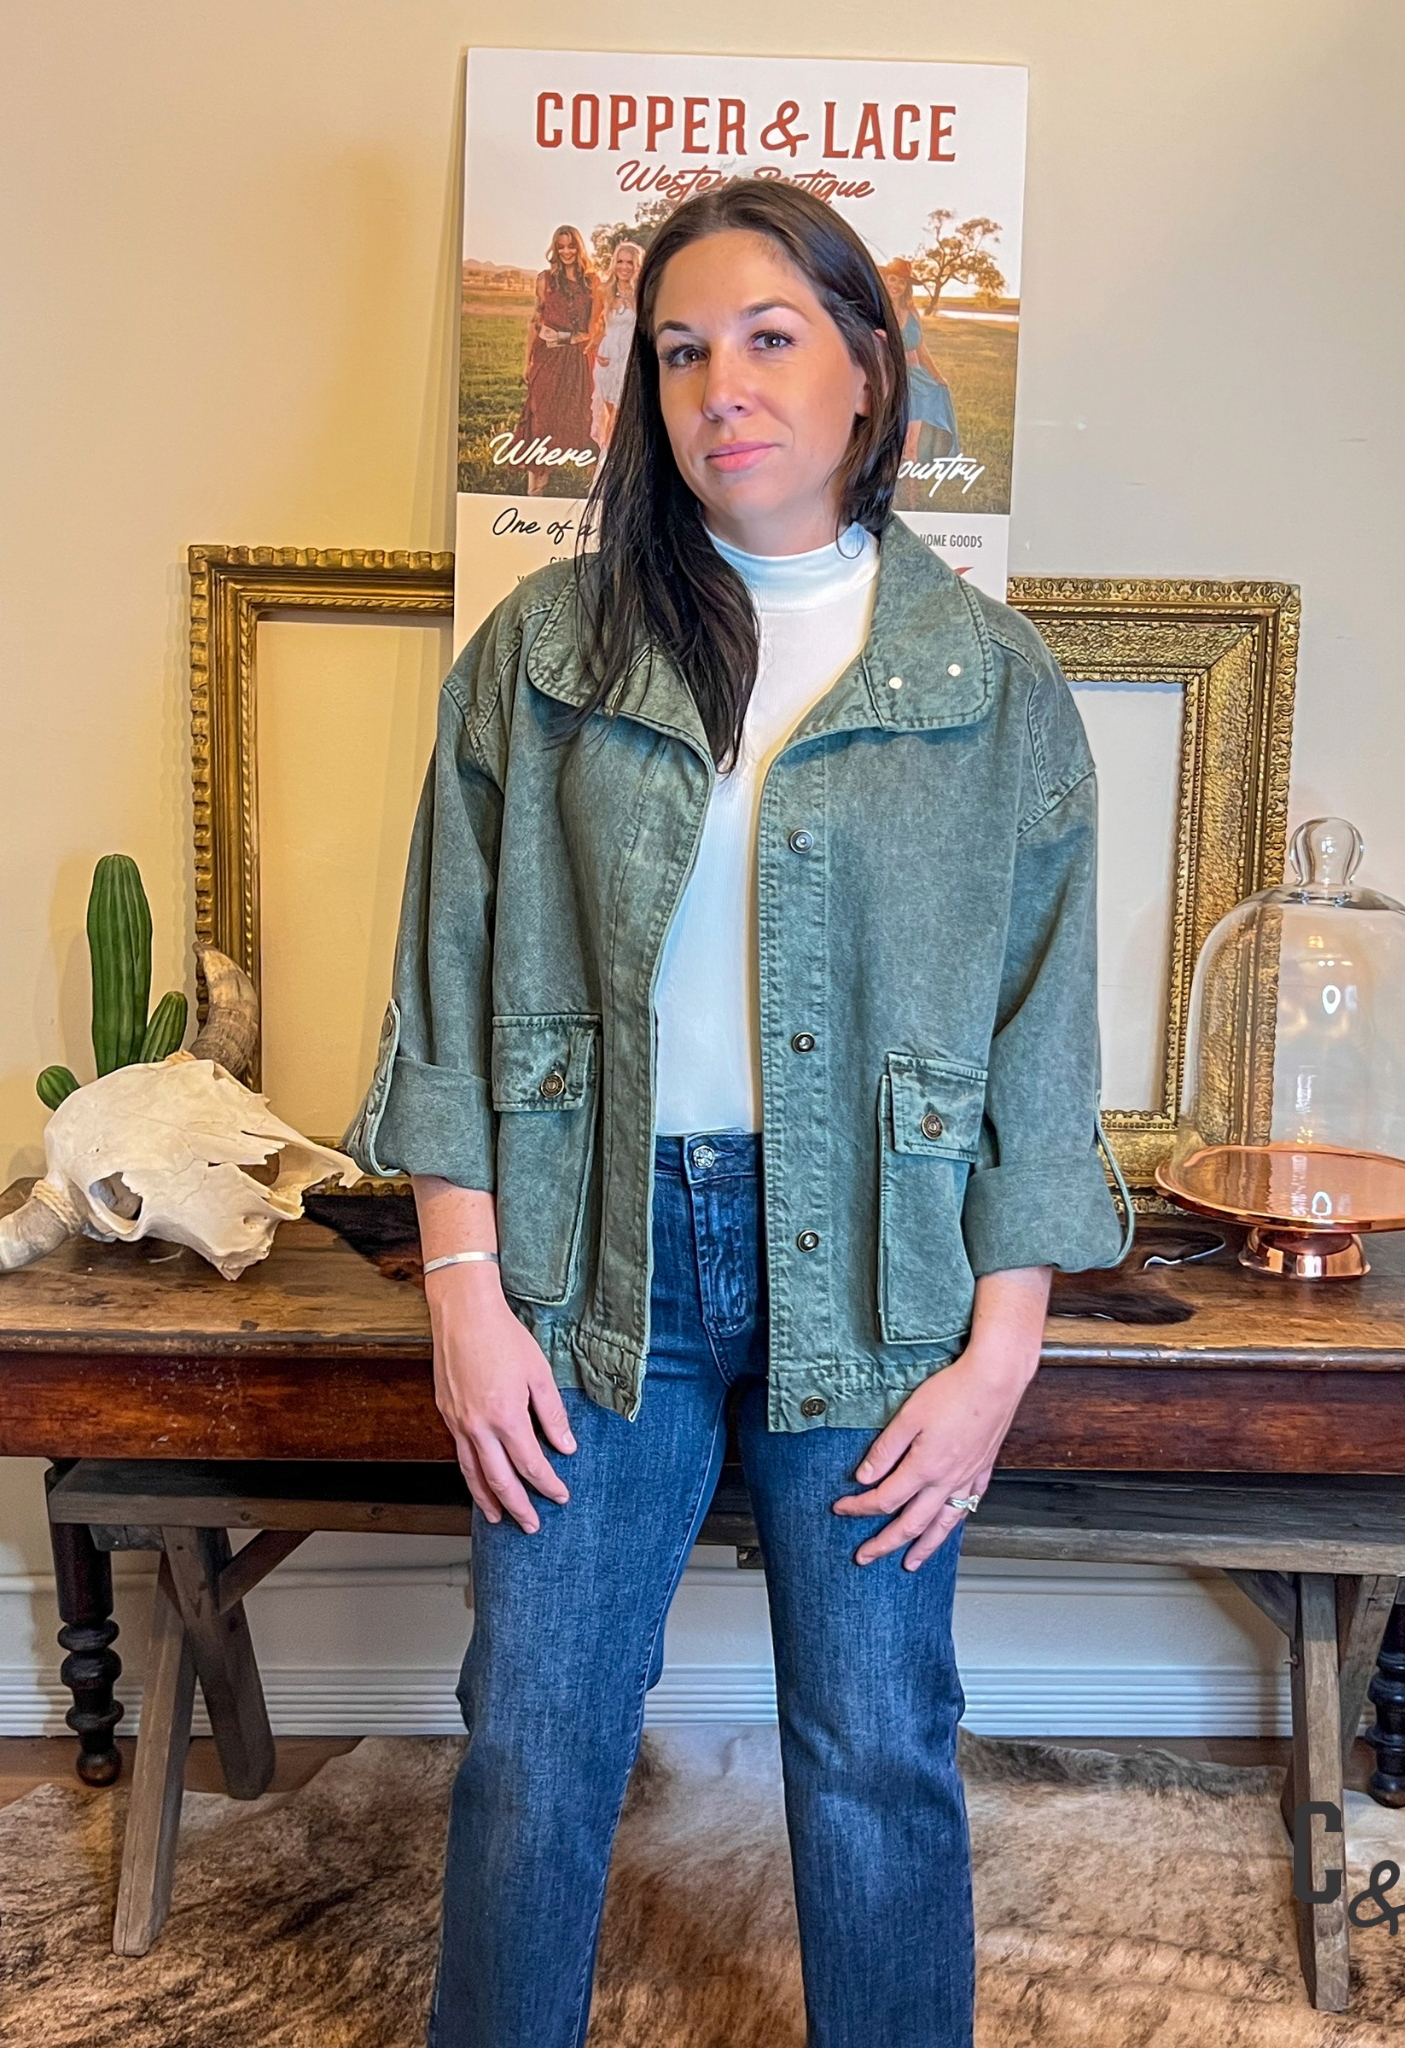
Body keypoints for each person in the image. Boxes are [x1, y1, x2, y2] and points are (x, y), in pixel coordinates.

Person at [343, 176, 1130, 2048]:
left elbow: (1041, 1048)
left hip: (875, 1269)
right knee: (535, 1735)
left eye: (772, 336)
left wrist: (996, 1357)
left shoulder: (987, 686)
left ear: (872, 371)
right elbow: (446, 986)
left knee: (876, 1740)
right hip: (582, 1254)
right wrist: (464, 1292)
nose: (723, 386)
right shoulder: (539, 658)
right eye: (682, 349)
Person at [512, 223, 597, 495]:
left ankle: (594, 488)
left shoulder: (591, 282)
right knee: (541, 417)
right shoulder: (544, 280)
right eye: (561, 247)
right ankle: (536, 488)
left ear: (579, 247)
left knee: (580, 417)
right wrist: (528, 360)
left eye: (571, 246)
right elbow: (536, 321)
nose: (566, 251)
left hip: (577, 359)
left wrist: (567, 339)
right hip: (547, 357)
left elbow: (595, 329)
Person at [883, 256, 960, 510]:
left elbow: (920, 348)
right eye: (892, 279)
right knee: (890, 443)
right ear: (885, 279)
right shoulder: (879, 311)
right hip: (891, 381)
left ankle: (911, 503)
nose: (895, 285)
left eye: (901, 281)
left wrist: (938, 377)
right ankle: (886, 497)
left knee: (911, 447)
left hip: (917, 384)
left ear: (907, 286)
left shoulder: (912, 312)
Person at [587, 237, 643, 453]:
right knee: (612, 416)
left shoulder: (642, 292)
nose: (624, 267)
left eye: (630, 262)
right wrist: (597, 345)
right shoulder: (604, 291)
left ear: (637, 265)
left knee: (623, 415)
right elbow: (595, 323)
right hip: (608, 359)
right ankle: (609, 460)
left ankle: (611, 461)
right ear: (614, 264)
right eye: (620, 261)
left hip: (631, 359)